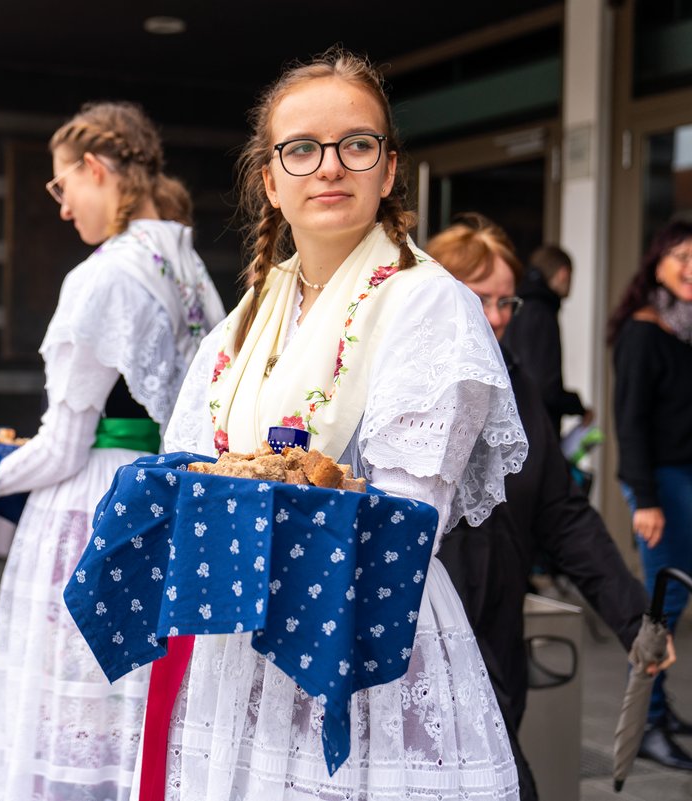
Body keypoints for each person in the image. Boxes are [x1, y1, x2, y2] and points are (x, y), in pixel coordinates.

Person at [157, 49, 528, 799]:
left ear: (388, 169)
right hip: (241, 641)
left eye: (355, 145)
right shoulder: (249, 315)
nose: (329, 167)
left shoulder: (431, 304)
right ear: (270, 179)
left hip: (363, 640)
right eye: (301, 149)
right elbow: (191, 463)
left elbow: (402, 520)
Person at [0, 101, 225, 801]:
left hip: (97, 502)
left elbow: (60, 446)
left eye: (61, 187)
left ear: (93, 169)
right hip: (169, 496)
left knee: (75, 702)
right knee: (144, 706)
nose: (61, 208)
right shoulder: (189, 268)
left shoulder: (101, 277)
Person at [428, 214, 676, 794]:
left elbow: (561, 511)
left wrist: (632, 616)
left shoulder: (514, 385)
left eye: (506, 303)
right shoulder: (395, 384)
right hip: (420, 647)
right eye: (478, 300)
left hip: (495, 638)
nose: (495, 318)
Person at [607, 218, 692, 769]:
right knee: (664, 606)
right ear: (656, 262)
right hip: (661, 482)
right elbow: (630, 423)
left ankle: (660, 709)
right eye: (681, 256)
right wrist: (647, 499)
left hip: (683, 478)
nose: (690, 269)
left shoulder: (684, 328)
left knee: (674, 600)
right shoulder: (643, 330)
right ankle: (646, 724)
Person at [502, 244, 591, 435]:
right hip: (535, 429)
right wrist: (577, 406)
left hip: (513, 422)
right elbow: (544, 387)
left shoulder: (517, 304)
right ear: (563, 273)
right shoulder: (541, 312)